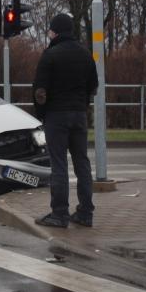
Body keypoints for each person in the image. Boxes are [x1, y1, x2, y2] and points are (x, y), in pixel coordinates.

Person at [31, 13, 98, 228]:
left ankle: (59, 213)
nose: (49, 33)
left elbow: (40, 91)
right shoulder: (86, 55)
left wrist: (41, 113)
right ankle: (86, 213)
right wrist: (82, 105)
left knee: (58, 164)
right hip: (79, 115)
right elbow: (93, 87)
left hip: (56, 115)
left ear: (55, 31)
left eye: (50, 30)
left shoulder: (50, 55)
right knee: (82, 163)